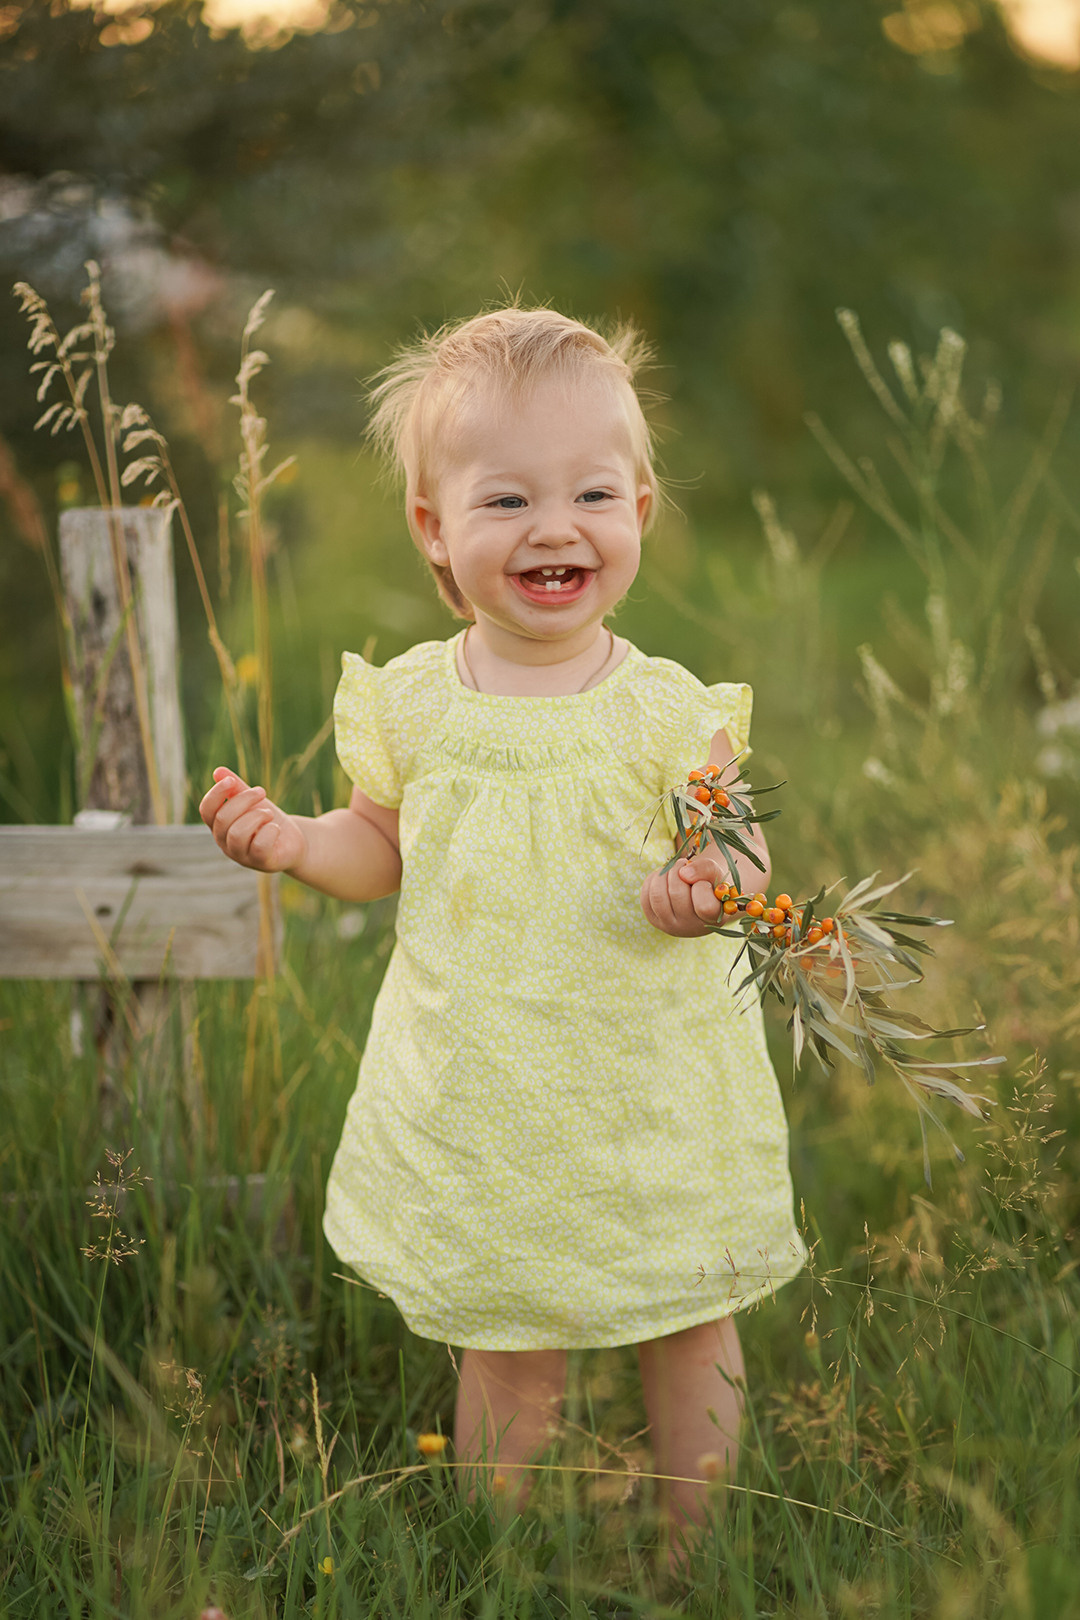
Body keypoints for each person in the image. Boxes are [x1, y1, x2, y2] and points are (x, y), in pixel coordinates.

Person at [199, 304, 807, 1572]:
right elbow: (380, 845)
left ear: (640, 504)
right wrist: (298, 843)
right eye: (508, 499)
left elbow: (742, 852)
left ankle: (695, 1556)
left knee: (686, 1313)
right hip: (487, 1080)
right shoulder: (418, 701)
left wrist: (712, 883)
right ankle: (500, 1553)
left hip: (652, 1079)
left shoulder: (666, 710)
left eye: (593, 492)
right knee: (503, 1327)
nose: (555, 527)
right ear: (435, 527)